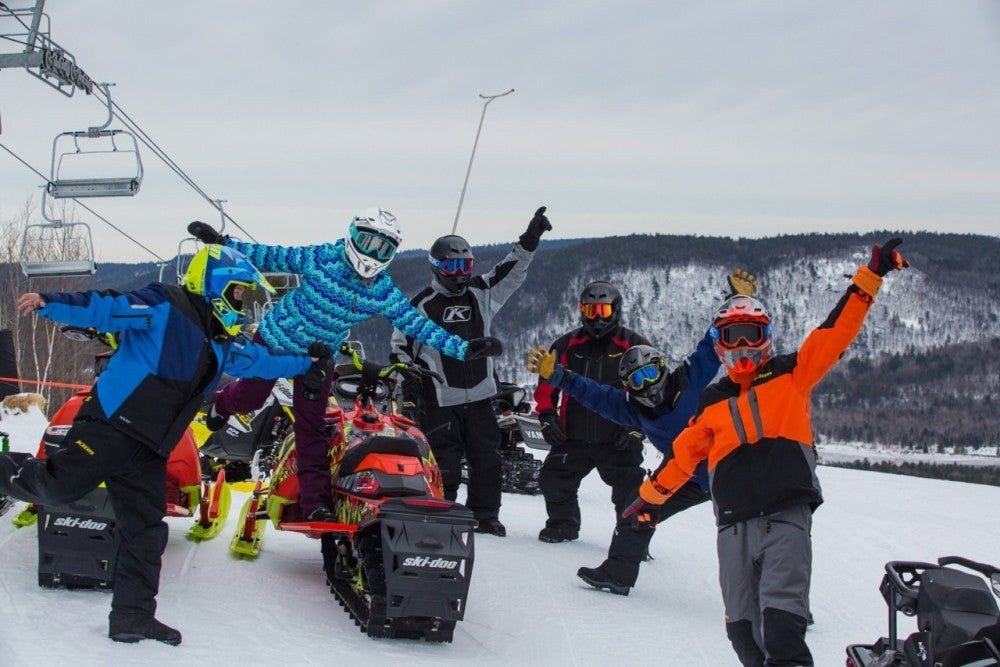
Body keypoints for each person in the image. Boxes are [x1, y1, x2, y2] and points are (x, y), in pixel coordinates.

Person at [0, 245, 325, 646]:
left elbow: (259, 362)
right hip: (111, 428)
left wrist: (308, 365)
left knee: (146, 533)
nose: (241, 303)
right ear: (216, 285)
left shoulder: (221, 342)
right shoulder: (164, 305)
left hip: (150, 448)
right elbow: (106, 308)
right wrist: (51, 302)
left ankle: (132, 618)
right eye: (238, 292)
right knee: (57, 487)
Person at [621, 238, 910, 666]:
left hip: (785, 513)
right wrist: (648, 502)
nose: (741, 346)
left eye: (749, 335)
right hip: (732, 526)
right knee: (743, 634)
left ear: (765, 337)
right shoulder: (712, 401)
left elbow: (835, 331)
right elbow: (682, 459)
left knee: (781, 626)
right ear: (719, 343)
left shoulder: (793, 374)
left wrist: (871, 276)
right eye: (730, 337)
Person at [187, 209, 502, 523]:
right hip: (276, 339)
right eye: (368, 243)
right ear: (353, 237)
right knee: (251, 398)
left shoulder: (381, 290)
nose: (374, 254)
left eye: (384, 248)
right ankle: (221, 403)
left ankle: (316, 504)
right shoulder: (325, 258)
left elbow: (418, 325)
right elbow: (275, 256)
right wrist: (223, 243)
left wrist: (465, 349)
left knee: (310, 428)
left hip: (319, 360)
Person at [525, 269, 757, 595]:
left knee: (754, 535)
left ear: (663, 368)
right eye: (637, 379)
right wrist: (559, 376)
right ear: (628, 386)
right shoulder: (633, 408)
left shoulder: (687, 383)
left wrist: (736, 303)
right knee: (639, 511)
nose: (647, 384)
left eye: (651, 373)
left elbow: (712, 344)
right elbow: (592, 393)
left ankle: (784, 604)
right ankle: (617, 574)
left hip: (730, 469)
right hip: (682, 475)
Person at [389, 206, 551, 537]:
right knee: (443, 463)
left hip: (481, 396)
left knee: (487, 460)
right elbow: (398, 349)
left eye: (465, 264)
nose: (460, 272)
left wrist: (530, 239)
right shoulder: (419, 305)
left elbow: (511, 271)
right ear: (436, 266)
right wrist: (407, 380)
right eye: (453, 265)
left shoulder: (481, 292)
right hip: (439, 400)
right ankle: (440, 513)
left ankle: (486, 514)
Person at [532, 280, 651, 543]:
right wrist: (547, 415)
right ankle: (562, 524)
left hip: (617, 438)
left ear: (616, 311)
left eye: (603, 311)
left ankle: (632, 540)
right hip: (574, 436)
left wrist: (637, 427)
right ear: (580, 311)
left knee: (631, 490)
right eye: (590, 311)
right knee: (553, 479)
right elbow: (545, 386)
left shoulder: (633, 345)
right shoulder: (566, 345)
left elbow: (652, 392)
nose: (597, 318)